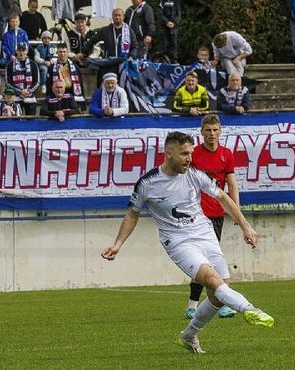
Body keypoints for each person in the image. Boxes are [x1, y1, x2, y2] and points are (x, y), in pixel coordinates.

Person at [101, 131, 274, 354]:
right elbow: (132, 214)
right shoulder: (147, 183)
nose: (189, 158)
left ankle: (189, 335)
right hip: (177, 240)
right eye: (184, 154)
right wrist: (117, 244)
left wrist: (245, 226)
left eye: (190, 153)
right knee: (213, 280)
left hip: (205, 233)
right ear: (169, 153)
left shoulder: (195, 175)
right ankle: (250, 309)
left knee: (218, 294)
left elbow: (223, 197)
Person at [183, 114, 240, 320]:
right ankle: (221, 303)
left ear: (220, 131)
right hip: (197, 215)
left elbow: (232, 185)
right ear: (201, 132)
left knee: (205, 261)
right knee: (209, 259)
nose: (212, 134)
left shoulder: (227, 154)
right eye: (208, 130)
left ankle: (193, 305)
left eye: (215, 130)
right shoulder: (194, 154)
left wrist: (236, 212)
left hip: (217, 214)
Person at [80, 8, 137, 85]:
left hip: (123, 64)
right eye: (115, 15)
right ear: (112, 17)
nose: (117, 17)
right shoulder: (106, 30)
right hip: (109, 65)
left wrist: (132, 57)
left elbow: (134, 47)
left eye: (119, 15)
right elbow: (92, 40)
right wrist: (83, 52)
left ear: (123, 17)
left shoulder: (129, 31)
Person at [46, 43, 85, 110]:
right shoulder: (52, 68)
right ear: (57, 53)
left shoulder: (74, 67)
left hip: (72, 92)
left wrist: (83, 102)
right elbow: (49, 84)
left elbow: (80, 83)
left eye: (64, 52)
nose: (62, 54)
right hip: (58, 93)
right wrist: (48, 98)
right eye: (60, 52)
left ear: (67, 53)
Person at [5, 42, 39, 115]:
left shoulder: (33, 64)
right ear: (16, 51)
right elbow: (8, 82)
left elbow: (37, 81)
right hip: (16, 98)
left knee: (31, 122)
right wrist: (20, 91)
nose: (21, 52)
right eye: (19, 50)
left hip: (30, 97)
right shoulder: (10, 65)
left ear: (27, 51)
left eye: (23, 50)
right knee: (16, 122)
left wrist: (28, 91)